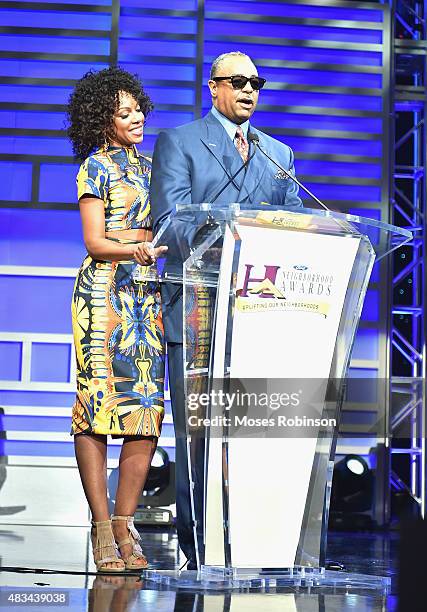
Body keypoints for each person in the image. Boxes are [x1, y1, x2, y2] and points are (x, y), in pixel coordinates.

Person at [150, 51, 303, 568]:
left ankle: (258, 542)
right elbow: (169, 222)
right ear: (212, 87)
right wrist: (229, 229)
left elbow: (297, 228)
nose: (249, 90)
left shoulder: (276, 152)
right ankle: (199, 547)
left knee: (251, 427)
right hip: (198, 302)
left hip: (260, 310)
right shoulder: (181, 141)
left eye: (256, 82)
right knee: (199, 431)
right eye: (238, 81)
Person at [67, 67, 167, 573]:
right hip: (104, 297)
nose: (137, 118)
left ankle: (127, 527)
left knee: (146, 411)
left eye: (139, 109)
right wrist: (139, 246)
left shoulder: (154, 168)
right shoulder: (94, 168)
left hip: (147, 296)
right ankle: (102, 528)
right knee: (100, 408)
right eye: (124, 113)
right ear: (101, 120)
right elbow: (95, 241)